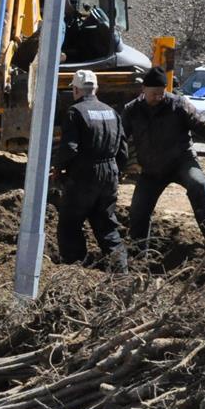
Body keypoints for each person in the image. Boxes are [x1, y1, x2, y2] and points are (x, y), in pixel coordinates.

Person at [123, 65, 205, 249]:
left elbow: (204, 127)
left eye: (161, 93)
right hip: (152, 169)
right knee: (138, 211)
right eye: (154, 93)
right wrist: (119, 165)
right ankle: (138, 249)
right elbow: (120, 138)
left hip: (181, 162)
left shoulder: (179, 105)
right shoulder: (132, 110)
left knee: (198, 183)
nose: (158, 97)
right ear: (143, 89)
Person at [54, 69, 128, 272]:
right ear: (96, 88)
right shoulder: (111, 112)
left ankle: (73, 272)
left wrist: (58, 169)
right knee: (106, 225)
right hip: (110, 173)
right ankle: (122, 272)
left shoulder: (75, 112)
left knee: (70, 224)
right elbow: (123, 149)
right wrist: (116, 173)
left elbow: (70, 148)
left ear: (76, 89)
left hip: (84, 175)